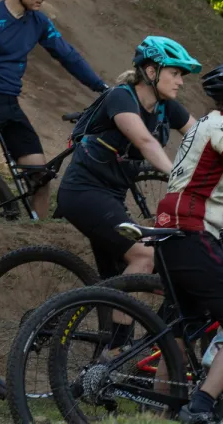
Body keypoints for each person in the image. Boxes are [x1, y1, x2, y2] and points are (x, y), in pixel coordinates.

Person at [155, 60, 223, 424]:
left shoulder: (209, 126)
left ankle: (164, 405)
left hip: (175, 234)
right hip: (193, 234)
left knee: (183, 327)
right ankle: (201, 405)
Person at [0, 0, 107, 222]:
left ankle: (35, 240)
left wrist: (101, 87)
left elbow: (67, 55)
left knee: (40, 176)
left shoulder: (38, 22)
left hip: (10, 104)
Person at [57, 36, 199, 281]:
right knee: (143, 257)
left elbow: (203, 138)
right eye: (175, 73)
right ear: (152, 71)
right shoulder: (121, 98)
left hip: (113, 199)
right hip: (83, 194)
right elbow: (145, 142)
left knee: (115, 282)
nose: (180, 82)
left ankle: (93, 315)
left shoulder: (167, 107)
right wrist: (180, 177)